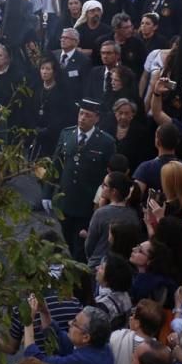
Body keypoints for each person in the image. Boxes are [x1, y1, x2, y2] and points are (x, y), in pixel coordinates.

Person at [48, 99, 116, 262]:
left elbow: (109, 173)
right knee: (65, 238)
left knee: (81, 244)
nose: (82, 118)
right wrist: (47, 192)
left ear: (96, 118)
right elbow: (55, 164)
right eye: (81, 113)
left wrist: (103, 199)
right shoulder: (67, 134)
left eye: (87, 115)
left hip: (87, 203)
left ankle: (78, 277)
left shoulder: (106, 142)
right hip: (65, 199)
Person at [22, 300, 115, 364]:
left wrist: (28, 321)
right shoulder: (103, 348)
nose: (69, 323)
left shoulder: (81, 363)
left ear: (86, 337)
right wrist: (45, 312)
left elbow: (35, 363)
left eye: (75, 323)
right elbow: (59, 337)